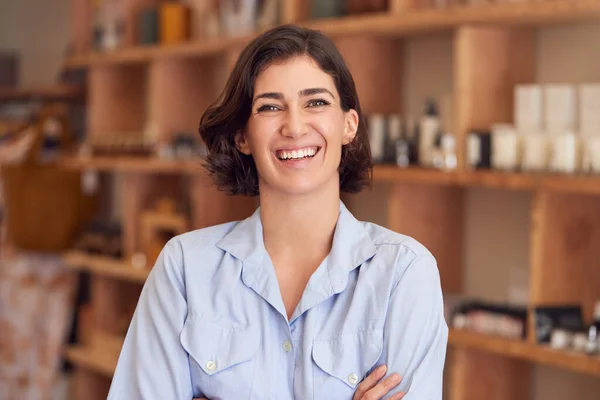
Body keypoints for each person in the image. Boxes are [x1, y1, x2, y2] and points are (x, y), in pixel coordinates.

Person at [107, 24, 448, 400]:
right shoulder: (184, 269)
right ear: (243, 136)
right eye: (270, 107)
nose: (295, 126)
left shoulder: (403, 273)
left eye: (315, 102)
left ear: (348, 125)